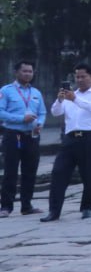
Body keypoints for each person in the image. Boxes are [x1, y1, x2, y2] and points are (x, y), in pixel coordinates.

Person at [42, 63, 91, 221]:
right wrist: (60, 99)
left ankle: (87, 207)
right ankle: (54, 211)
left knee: (89, 174)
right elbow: (55, 112)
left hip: (89, 137)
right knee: (58, 172)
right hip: (70, 138)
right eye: (77, 77)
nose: (80, 80)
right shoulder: (69, 95)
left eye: (83, 76)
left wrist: (75, 99)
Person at [1, 60, 46, 217]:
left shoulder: (36, 93)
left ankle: (27, 206)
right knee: (11, 171)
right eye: (24, 71)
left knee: (30, 171)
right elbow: (1, 112)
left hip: (32, 136)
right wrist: (21, 119)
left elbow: (42, 112)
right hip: (13, 135)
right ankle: (6, 207)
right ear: (16, 72)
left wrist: (40, 124)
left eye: (30, 71)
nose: (28, 74)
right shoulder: (6, 91)